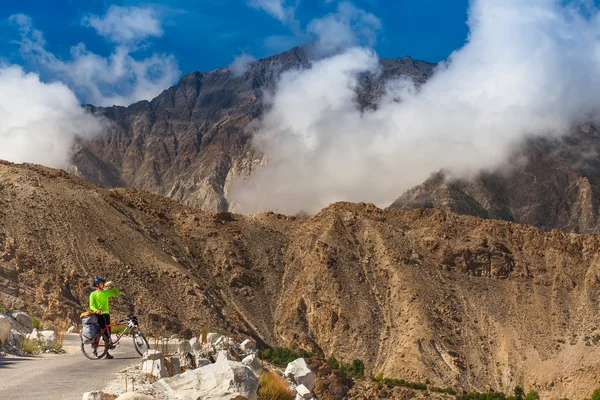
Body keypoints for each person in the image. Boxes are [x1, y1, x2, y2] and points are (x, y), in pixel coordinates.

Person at [90, 277, 120, 359]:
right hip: (98, 315)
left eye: (103, 283)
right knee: (101, 332)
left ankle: (106, 353)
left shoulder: (106, 292)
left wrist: (113, 286)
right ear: (97, 285)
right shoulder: (93, 294)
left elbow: (117, 293)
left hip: (106, 314)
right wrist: (96, 310)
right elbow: (91, 305)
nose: (103, 284)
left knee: (107, 333)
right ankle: (95, 349)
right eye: (101, 283)